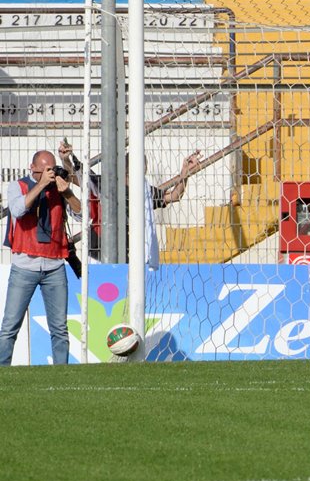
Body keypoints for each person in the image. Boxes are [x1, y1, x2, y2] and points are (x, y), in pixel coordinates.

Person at [58, 142, 201, 269]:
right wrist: (66, 160)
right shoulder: (105, 185)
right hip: (100, 251)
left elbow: (174, 196)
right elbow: (76, 178)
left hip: (132, 253)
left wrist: (184, 174)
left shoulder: (145, 190)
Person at [0, 150, 82, 366]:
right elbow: (17, 210)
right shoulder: (18, 186)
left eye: (52, 169)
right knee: (9, 327)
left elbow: (82, 214)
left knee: (60, 329)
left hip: (54, 266)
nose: (49, 174)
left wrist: (67, 194)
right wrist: (40, 185)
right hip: (24, 266)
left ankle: (62, 375)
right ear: (32, 168)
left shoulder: (59, 187)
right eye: (45, 170)